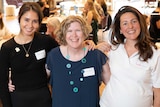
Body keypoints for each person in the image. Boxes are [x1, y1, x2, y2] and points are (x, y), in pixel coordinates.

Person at [0, 2, 59, 107]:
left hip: (42, 98)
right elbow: (2, 82)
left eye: (35, 21)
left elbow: (64, 53)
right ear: (19, 18)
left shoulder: (45, 41)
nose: (30, 25)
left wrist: (85, 44)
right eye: (26, 20)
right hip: (18, 99)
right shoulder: (7, 48)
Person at [100, 6, 160, 107]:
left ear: (140, 24)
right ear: (120, 29)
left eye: (134, 21)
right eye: (125, 23)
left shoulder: (154, 53)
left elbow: (158, 92)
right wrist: (91, 45)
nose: (130, 26)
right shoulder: (113, 49)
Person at [46, 15, 111, 107]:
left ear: (84, 33)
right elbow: (39, 81)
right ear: (63, 34)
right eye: (69, 31)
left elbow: (112, 85)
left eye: (78, 30)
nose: (74, 35)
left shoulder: (96, 56)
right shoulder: (53, 56)